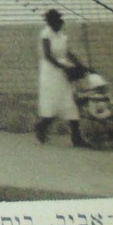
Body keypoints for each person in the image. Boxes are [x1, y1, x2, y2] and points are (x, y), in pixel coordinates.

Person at [35, 8, 90, 148]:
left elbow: (67, 52)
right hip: (50, 73)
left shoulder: (61, 35)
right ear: (51, 22)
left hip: (62, 72)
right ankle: (41, 127)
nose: (60, 24)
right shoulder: (45, 35)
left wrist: (80, 65)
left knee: (69, 102)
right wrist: (63, 67)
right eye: (57, 22)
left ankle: (76, 138)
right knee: (53, 103)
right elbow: (47, 56)